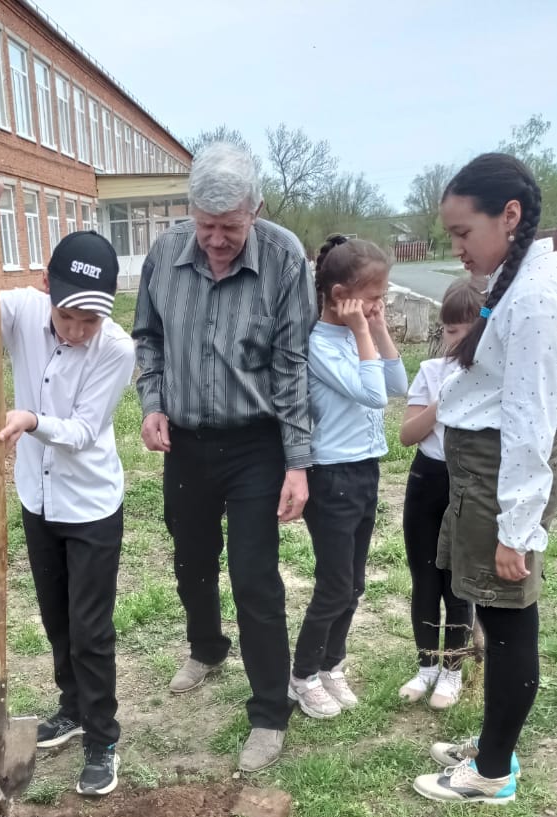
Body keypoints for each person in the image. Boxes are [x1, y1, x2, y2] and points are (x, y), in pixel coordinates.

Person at [0, 184, 136, 797]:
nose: (77, 329)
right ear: (47, 289)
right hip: (36, 498)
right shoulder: (16, 307)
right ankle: (72, 707)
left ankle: (102, 737)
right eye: (69, 314)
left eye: (90, 318)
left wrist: (29, 420)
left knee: (91, 627)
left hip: (91, 503)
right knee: (56, 620)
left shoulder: (115, 349)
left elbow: (83, 429)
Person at [413, 154, 557, 804]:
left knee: (510, 623)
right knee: (497, 618)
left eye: (463, 233)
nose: (455, 247)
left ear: (508, 216)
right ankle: (492, 749)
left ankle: (490, 773)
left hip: (501, 478)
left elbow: (528, 425)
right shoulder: (516, 284)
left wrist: (514, 531)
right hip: (483, 472)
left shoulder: (538, 300)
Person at [133, 142, 316, 773]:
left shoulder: (285, 257)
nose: (215, 241)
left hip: (255, 445)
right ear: (189, 213)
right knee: (190, 558)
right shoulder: (164, 254)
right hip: (185, 442)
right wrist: (152, 402)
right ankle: (207, 649)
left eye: (230, 228)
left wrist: (298, 462)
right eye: (205, 227)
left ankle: (269, 710)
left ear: (255, 212)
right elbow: (148, 338)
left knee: (255, 576)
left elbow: (293, 364)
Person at [288, 235, 407, 718]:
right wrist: (362, 333)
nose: (381, 304)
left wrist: (377, 330)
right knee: (334, 584)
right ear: (342, 295)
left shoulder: (358, 336)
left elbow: (398, 385)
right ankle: (301, 676)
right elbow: (373, 394)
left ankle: (331, 664)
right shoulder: (320, 345)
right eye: (375, 296)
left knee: (354, 583)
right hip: (332, 475)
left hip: (365, 469)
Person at [397, 279, 480, 708]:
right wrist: (443, 399)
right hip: (427, 479)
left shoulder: (490, 378)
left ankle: (452, 670)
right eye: (450, 331)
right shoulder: (432, 372)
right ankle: (426, 664)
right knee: (425, 579)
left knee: (457, 584)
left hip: (468, 483)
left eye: (468, 333)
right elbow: (407, 434)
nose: (458, 341)